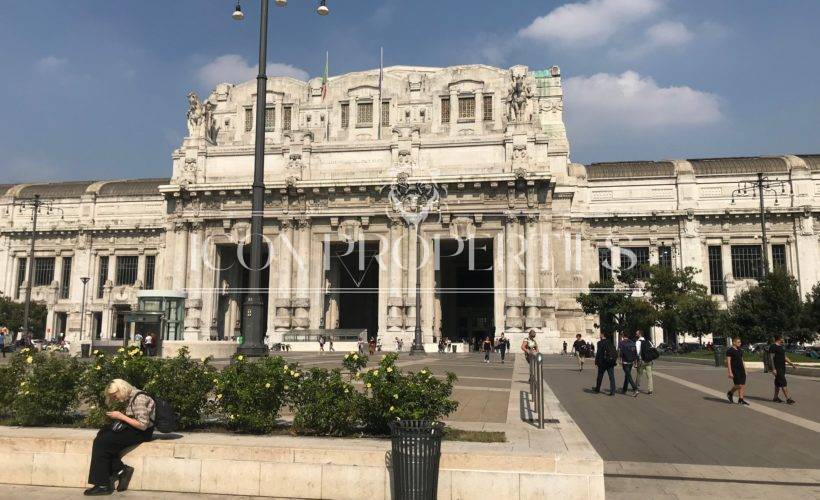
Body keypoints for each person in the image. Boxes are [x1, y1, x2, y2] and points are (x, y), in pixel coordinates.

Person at [84, 379, 155, 496]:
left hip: (141, 432)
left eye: (114, 395)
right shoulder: (130, 396)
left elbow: (143, 425)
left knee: (101, 442)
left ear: (121, 390)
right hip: (133, 429)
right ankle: (121, 469)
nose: (114, 398)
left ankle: (103, 485)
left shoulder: (139, 398)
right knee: (102, 434)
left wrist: (121, 416)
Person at [770, 334, 797, 404]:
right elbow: (771, 358)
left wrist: (792, 364)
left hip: (782, 367)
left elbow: (785, 357)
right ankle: (788, 399)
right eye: (782, 338)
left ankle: (775, 398)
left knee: (778, 383)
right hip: (777, 368)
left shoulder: (781, 347)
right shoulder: (773, 346)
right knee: (783, 383)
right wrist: (773, 369)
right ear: (779, 339)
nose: (783, 340)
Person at [726, 337, 749, 406]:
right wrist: (730, 372)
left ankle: (741, 400)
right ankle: (730, 393)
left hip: (741, 369)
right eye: (738, 342)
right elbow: (728, 362)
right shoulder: (730, 350)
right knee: (738, 385)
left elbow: (742, 360)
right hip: (735, 370)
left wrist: (745, 370)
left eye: (740, 342)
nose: (740, 343)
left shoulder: (740, 350)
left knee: (742, 385)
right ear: (734, 342)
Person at [635, 330, 654, 395]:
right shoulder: (648, 341)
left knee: (639, 375)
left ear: (639, 334)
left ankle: (636, 387)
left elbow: (637, 352)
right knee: (649, 376)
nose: (636, 334)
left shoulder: (638, 342)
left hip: (641, 361)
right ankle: (650, 390)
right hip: (649, 360)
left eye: (637, 333)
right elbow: (652, 349)